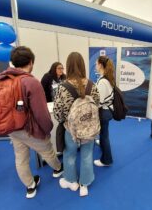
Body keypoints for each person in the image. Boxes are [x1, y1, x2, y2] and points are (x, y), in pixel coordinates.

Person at [0, 46, 62, 199]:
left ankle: (30, 186)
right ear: (31, 62)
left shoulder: (3, 79)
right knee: (47, 150)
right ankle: (58, 169)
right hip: (29, 128)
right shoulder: (31, 82)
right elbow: (41, 113)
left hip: (12, 127)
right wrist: (47, 129)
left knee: (21, 158)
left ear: (12, 62)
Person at [53, 52, 100, 197]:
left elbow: (58, 112)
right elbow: (97, 104)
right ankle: (84, 185)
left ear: (68, 66)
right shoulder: (92, 85)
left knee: (70, 154)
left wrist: (64, 120)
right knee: (87, 155)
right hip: (89, 128)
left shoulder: (62, 87)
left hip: (71, 129)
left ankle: (71, 181)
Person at [94, 56, 115, 167]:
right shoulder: (107, 78)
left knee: (104, 135)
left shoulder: (103, 81)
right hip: (108, 110)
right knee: (104, 134)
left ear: (101, 65)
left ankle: (106, 160)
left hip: (105, 112)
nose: (95, 65)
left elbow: (99, 102)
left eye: (96, 63)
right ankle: (102, 146)